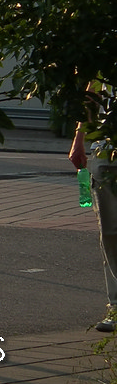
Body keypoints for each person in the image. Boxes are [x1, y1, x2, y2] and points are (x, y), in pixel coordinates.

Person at [67, 79, 117, 333]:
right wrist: (79, 138)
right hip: (106, 152)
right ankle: (116, 305)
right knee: (110, 232)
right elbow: (92, 94)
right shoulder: (103, 60)